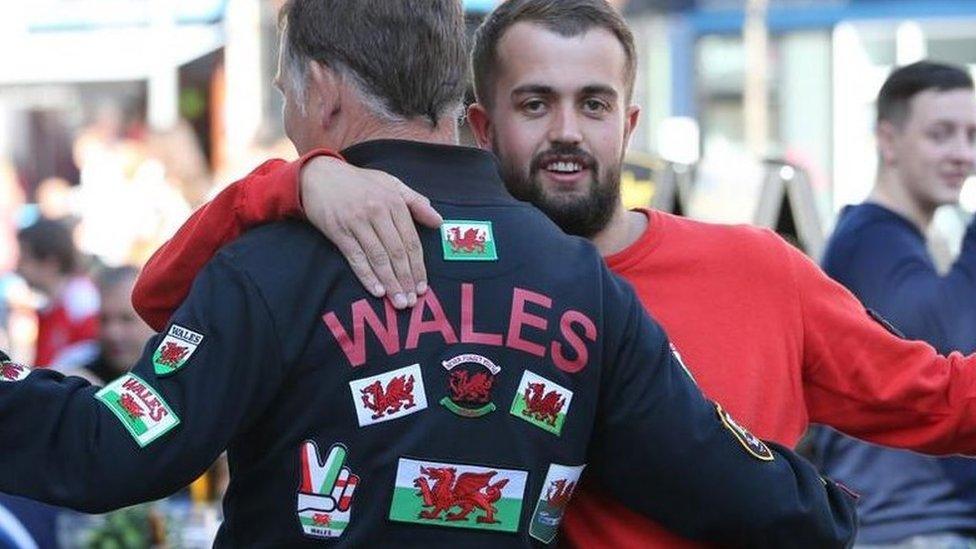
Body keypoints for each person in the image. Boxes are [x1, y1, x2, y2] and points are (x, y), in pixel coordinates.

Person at [0, 1, 857, 547]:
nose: (292, 120)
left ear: (325, 92)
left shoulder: (269, 264)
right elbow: (716, 469)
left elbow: (111, 448)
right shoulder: (578, 277)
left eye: (287, 95)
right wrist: (832, 512)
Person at [815, 61, 976, 548]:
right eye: (940, 134)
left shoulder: (894, 242)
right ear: (888, 140)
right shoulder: (871, 245)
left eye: (971, 136)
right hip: (911, 529)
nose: (962, 154)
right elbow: (956, 347)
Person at [16, 218, 98, 370]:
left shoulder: (81, 303)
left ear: (50, 263)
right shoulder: (52, 306)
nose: (18, 267)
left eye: (25, 259)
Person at [74, 266, 155, 385]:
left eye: (127, 319)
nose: (112, 333)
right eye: (104, 320)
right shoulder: (80, 378)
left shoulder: (182, 386)